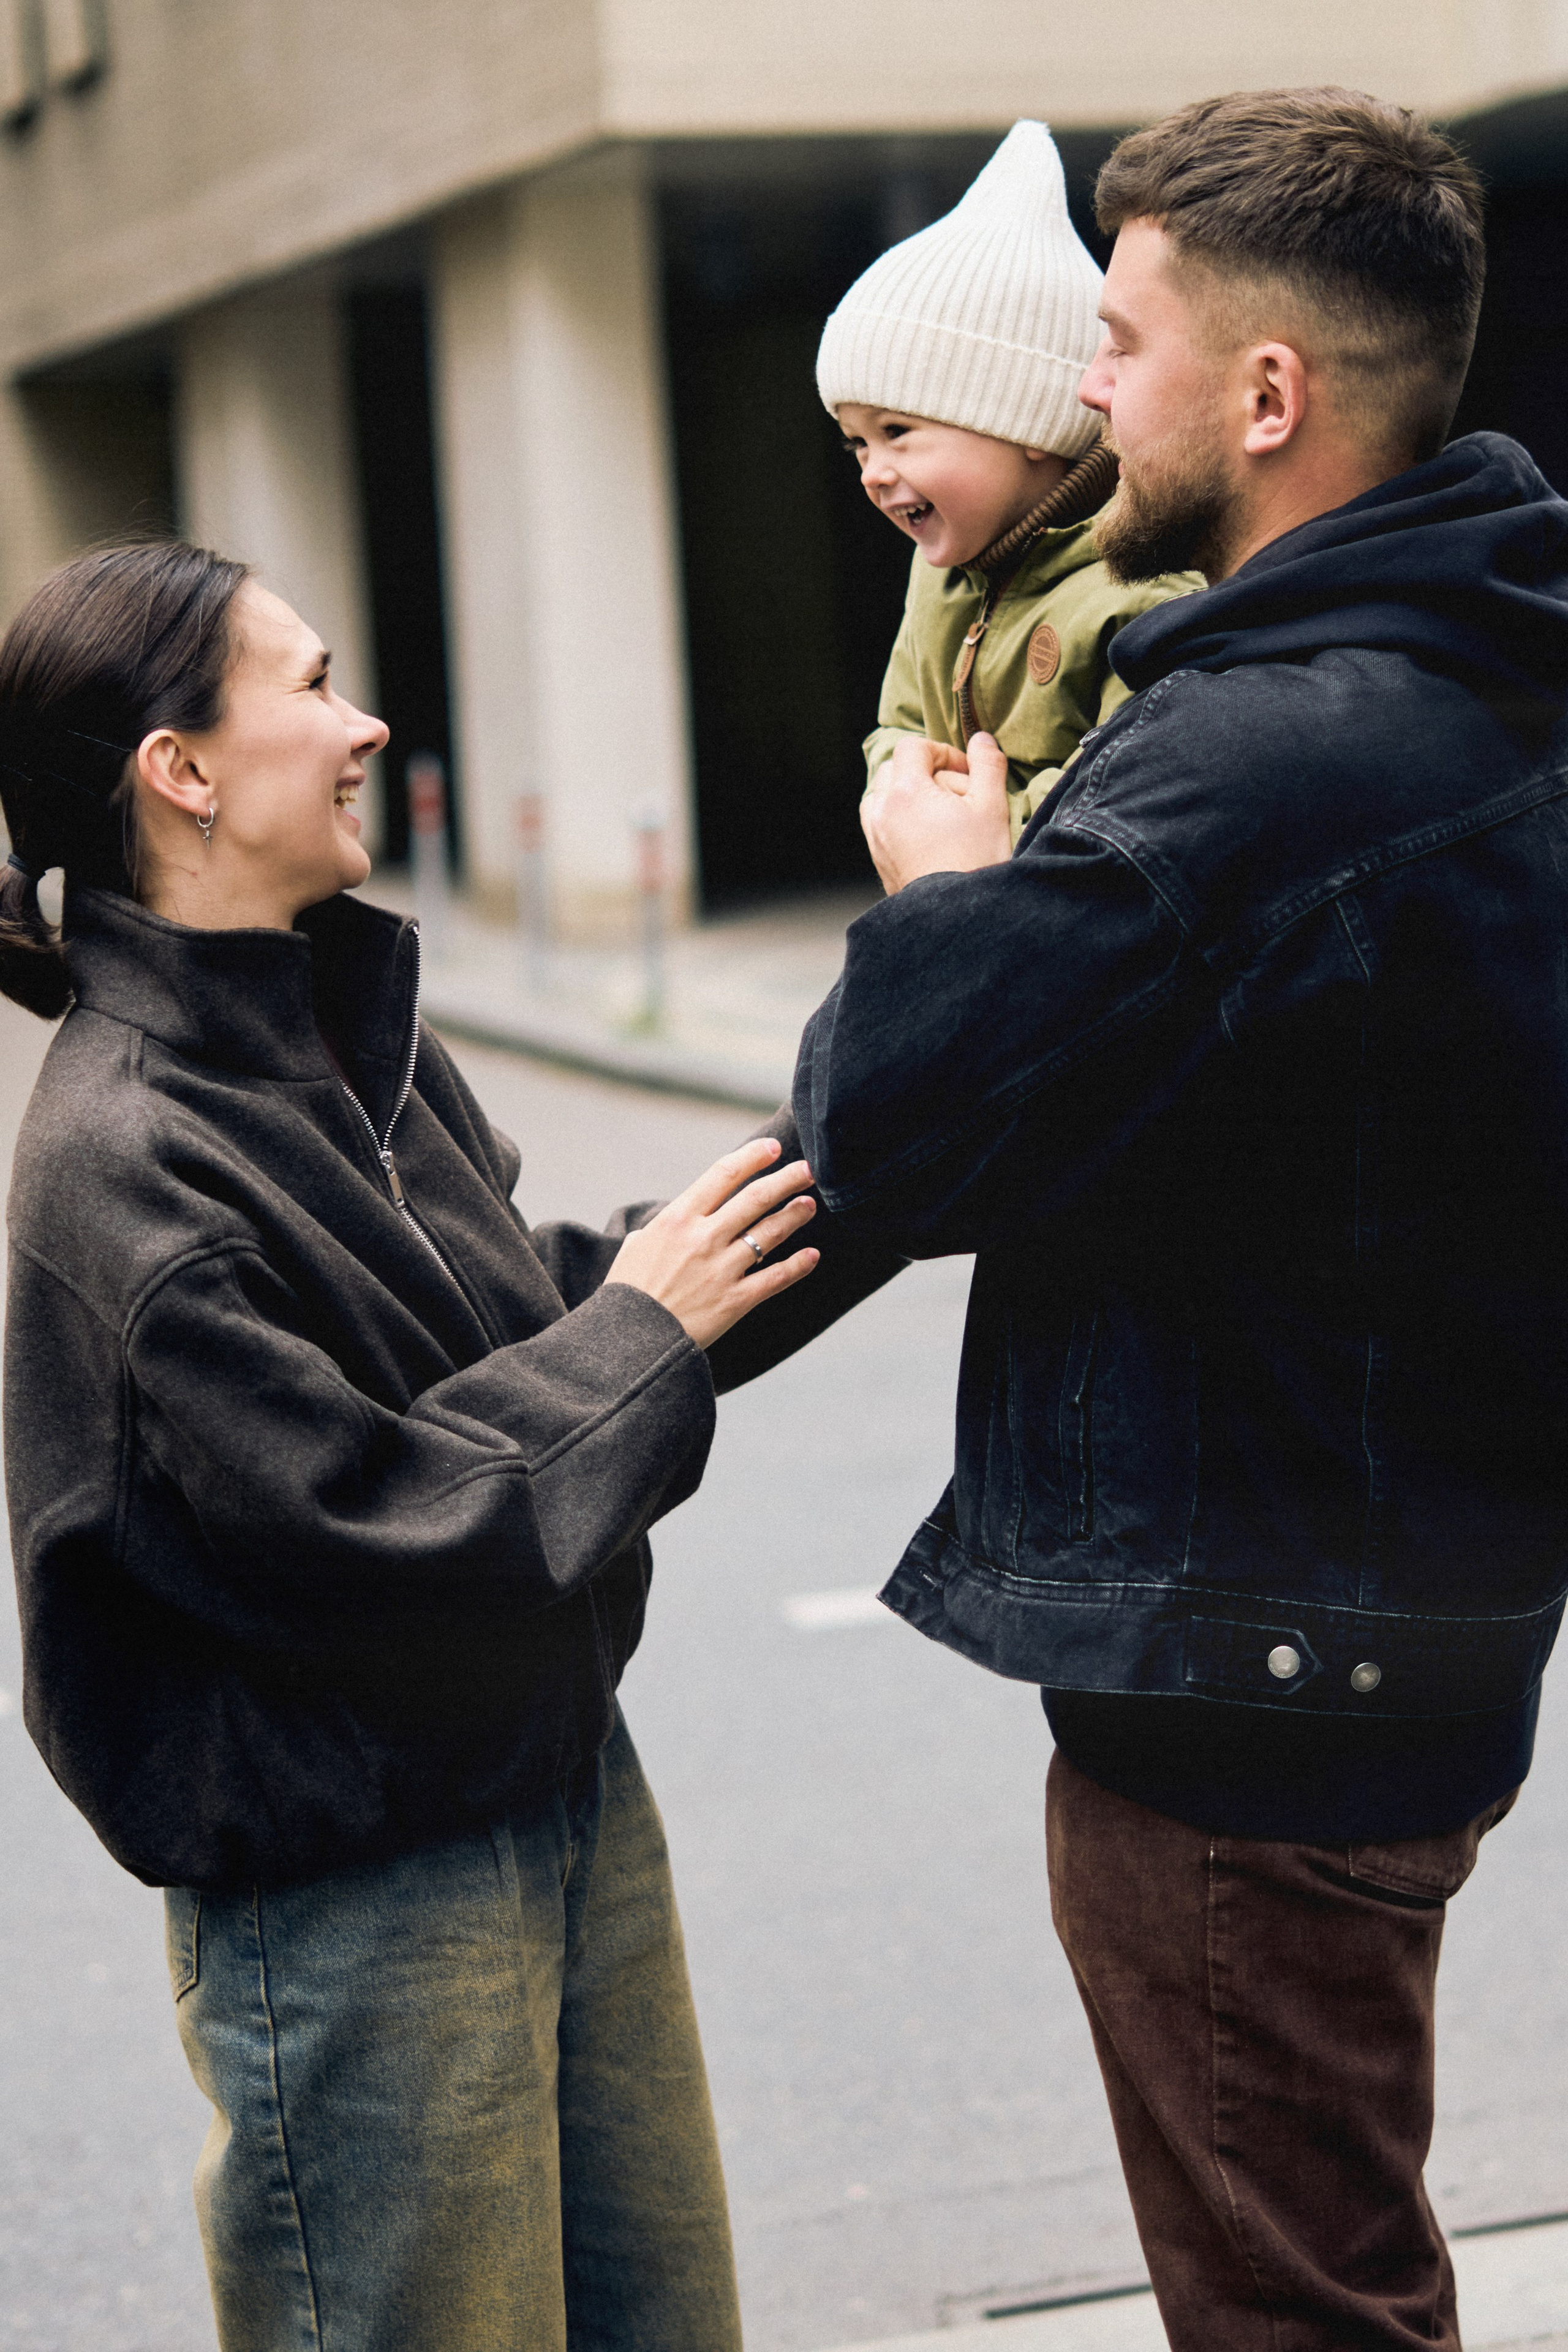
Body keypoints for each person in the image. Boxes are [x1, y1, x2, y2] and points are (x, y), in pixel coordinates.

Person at [794, 86, 1568, 2350]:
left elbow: (897, 1127)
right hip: (1391, 1620)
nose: (1077, 386)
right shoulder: (1484, 667)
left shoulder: (1242, 764)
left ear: (1263, 391)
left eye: (1114, 341)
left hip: (1251, 1690)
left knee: (1291, 2305)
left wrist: (939, 901)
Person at [0, 544, 899, 2352]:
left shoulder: (340, 1028)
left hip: (564, 1800)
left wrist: (905, 1107)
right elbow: (380, 1515)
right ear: (179, 771)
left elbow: (550, 1320)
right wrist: (645, 1323)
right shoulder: (125, 1164)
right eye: (312, 682)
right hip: (363, 1893)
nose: (366, 723)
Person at [818, 119, 1196, 844]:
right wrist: (903, 793)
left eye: (897, 432)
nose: (873, 471)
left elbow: (1115, 785)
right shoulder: (939, 576)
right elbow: (896, 724)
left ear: (1027, 424)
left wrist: (975, 827)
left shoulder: (1139, 586)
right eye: (856, 444)